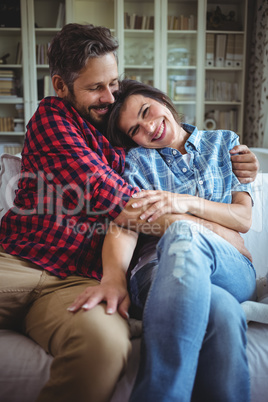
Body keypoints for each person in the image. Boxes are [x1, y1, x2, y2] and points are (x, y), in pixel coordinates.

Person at [0, 24, 258, 402]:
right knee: (197, 266)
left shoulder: (126, 143)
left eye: (113, 84)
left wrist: (242, 174)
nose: (108, 96)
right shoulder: (54, 119)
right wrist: (220, 231)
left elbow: (135, 209)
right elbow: (123, 205)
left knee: (104, 349)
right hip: (19, 260)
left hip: (76, 280)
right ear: (61, 85)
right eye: (94, 88)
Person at [92, 78, 255, 402]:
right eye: (135, 129)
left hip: (229, 267)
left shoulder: (224, 143)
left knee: (181, 231)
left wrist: (183, 204)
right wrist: (115, 278)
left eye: (147, 111)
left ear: (162, 99)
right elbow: (124, 225)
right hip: (157, 271)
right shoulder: (135, 163)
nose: (149, 127)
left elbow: (243, 218)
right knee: (222, 312)